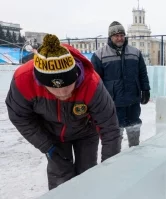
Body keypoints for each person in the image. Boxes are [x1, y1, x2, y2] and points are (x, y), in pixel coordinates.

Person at [6, 34, 121, 190]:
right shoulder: (23, 80)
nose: (62, 94)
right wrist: (46, 145)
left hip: (86, 132)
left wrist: (109, 168)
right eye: (54, 89)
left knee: (87, 174)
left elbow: (110, 128)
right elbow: (19, 116)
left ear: (76, 75)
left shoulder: (91, 83)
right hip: (52, 135)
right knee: (60, 177)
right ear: (40, 81)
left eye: (68, 86)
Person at [91, 21, 150, 147]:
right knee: (115, 130)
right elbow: (95, 81)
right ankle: (115, 156)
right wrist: (97, 101)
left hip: (133, 99)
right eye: (116, 35)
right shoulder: (99, 55)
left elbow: (142, 73)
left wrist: (145, 89)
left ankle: (135, 151)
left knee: (134, 126)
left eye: (122, 35)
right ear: (110, 37)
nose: (119, 38)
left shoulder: (135, 52)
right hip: (112, 102)